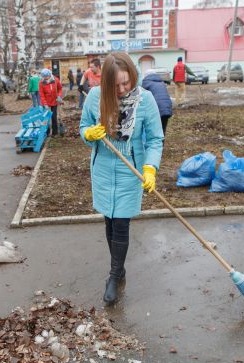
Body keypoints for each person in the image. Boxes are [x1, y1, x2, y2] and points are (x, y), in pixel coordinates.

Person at [79, 52, 164, 304]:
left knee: (121, 224)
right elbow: (83, 126)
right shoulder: (95, 97)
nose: (122, 89)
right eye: (115, 85)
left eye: (126, 82)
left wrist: (150, 168)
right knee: (109, 220)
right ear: (105, 82)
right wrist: (89, 134)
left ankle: (114, 275)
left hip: (131, 170)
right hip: (103, 169)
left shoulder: (145, 100)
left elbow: (156, 139)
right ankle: (120, 267)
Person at [142, 69, 172, 135]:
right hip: (166, 108)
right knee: (162, 130)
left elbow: (141, 97)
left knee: (154, 132)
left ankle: (156, 144)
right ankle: (161, 144)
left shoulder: (145, 82)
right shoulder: (161, 82)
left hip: (156, 109)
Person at [39, 68, 63, 137]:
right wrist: (45, 104)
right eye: (44, 77)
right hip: (46, 102)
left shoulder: (55, 80)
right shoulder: (41, 82)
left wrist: (59, 96)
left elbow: (60, 88)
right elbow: (41, 94)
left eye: (47, 77)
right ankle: (46, 132)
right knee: (46, 118)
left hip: (54, 101)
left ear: (50, 75)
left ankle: (55, 133)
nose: (46, 78)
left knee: (54, 117)